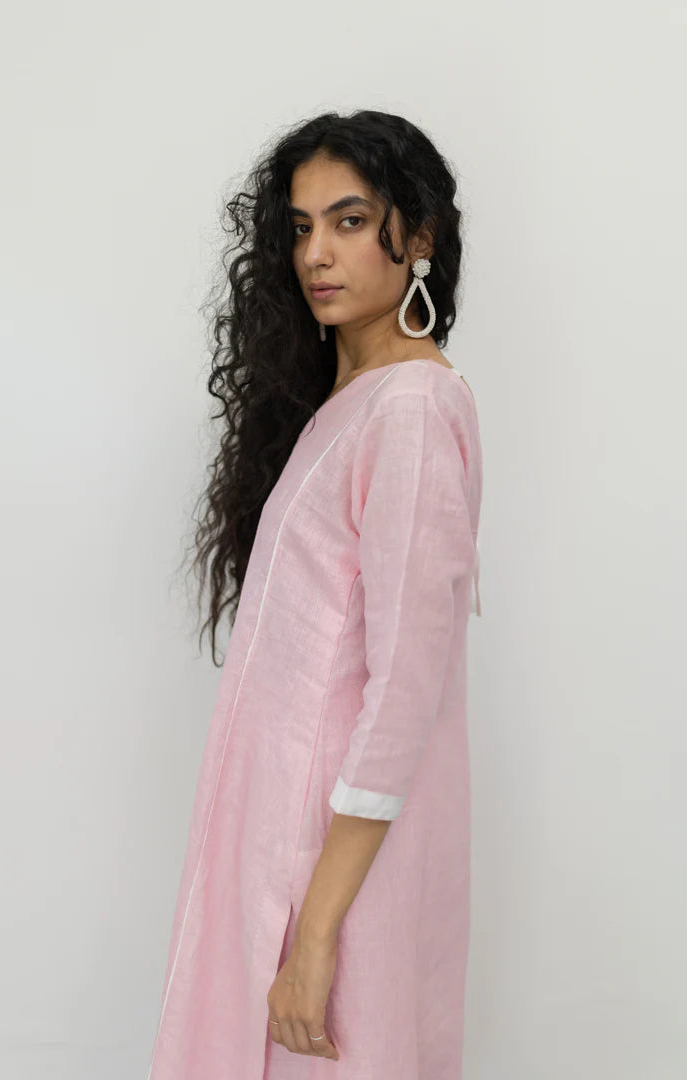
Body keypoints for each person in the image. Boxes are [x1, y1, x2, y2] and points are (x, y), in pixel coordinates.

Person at [146, 109, 483, 1080]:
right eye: (300, 227)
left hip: (331, 872)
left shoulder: (411, 409)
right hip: (277, 845)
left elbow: (404, 689)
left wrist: (317, 934)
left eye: (350, 220)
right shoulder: (350, 405)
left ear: (419, 238)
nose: (316, 254)